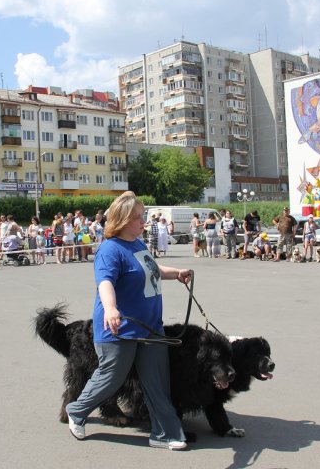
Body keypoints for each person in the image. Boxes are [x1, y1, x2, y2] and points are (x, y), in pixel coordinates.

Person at [65, 191, 189, 450]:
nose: (142, 222)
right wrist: (110, 308)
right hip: (118, 328)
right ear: (121, 220)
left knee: (156, 381)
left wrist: (176, 273)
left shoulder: (138, 244)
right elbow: (105, 282)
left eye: (142, 216)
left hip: (150, 326)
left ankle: (165, 433)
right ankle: (77, 410)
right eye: (137, 218)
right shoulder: (110, 250)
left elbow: (151, 269)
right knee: (111, 377)